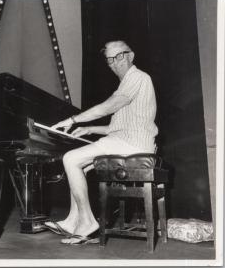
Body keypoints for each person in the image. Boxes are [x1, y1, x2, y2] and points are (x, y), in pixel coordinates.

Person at [45, 40, 158, 245]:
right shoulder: (126, 85)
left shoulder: (138, 78)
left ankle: (87, 222)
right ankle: (73, 220)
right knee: (80, 165)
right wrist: (90, 129)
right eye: (110, 60)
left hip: (133, 145)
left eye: (120, 56)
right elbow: (117, 127)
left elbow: (106, 108)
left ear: (130, 56)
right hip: (126, 140)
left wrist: (73, 119)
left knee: (71, 158)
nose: (115, 63)